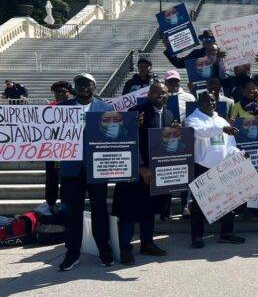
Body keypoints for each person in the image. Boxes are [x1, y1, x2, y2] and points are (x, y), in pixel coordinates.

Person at [112, 82, 175, 264]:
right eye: (155, 91)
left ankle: (147, 244)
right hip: (134, 172)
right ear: (148, 94)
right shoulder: (136, 111)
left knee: (149, 211)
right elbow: (128, 139)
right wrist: (140, 166)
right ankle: (125, 248)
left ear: (168, 95)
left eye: (163, 92)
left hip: (156, 173)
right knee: (129, 212)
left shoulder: (170, 114)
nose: (159, 95)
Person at [57, 73, 115, 271]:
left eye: (87, 84)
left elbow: (115, 136)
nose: (83, 87)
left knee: (99, 210)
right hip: (72, 169)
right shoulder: (62, 108)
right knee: (73, 213)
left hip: (98, 167)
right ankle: (72, 253)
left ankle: (104, 251)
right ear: (74, 87)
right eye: (79, 84)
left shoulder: (106, 108)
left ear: (94, 87)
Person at [185, 91, 245, 248]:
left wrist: (238, 154)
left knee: (227, 201)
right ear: (199, 103)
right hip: (201, 166)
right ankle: (197, 237)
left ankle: (227, 233)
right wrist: (222, 130)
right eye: (207, 101)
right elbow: (200, 132)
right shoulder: (193, 119)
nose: (211, 104)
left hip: (222, 167)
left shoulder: (220, 120)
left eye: (213, 101)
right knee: (198, 204)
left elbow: (230, 144)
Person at [44, 81, 74, 211]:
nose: (60, 94)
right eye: (57, 92)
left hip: (72, 150)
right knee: (52, 177)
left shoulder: (76, 107)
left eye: (63, 91)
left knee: (68, 178)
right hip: (53, 151)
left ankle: (66, 202)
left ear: (69, 93)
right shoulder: (49, 108)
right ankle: (50, 203)